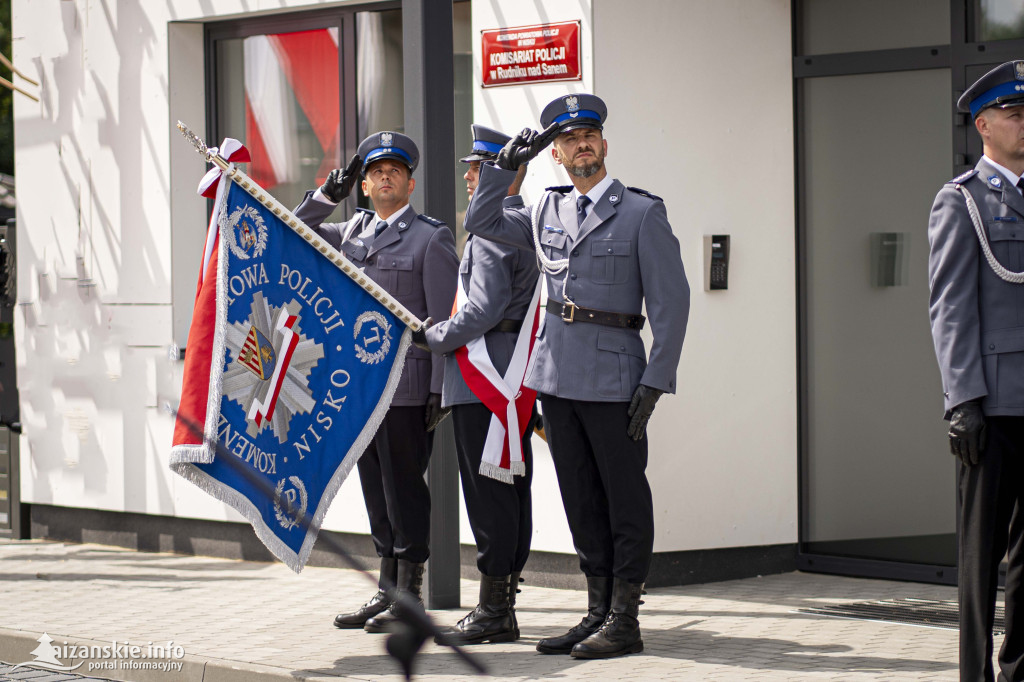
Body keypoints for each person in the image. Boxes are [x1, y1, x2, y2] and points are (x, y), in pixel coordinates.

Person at [460, 94, 689, 659]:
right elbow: (482, 220)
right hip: (557, 378)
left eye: (589, 134)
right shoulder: (544, 210)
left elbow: (672, 304)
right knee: (580, 500)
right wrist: (505, 166)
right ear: (556, 153)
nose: (581, 144)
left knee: (624, 499)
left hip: (616, 380)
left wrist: (656, 381)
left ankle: (626, 618)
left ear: (604, 145)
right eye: (568, 139)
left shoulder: (641, 213)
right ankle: (595, 612)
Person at [293, 131, 458, 634]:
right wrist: (325, 197)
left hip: (407, 389)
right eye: (376, 171)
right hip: (358, 388)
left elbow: (442, 324)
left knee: (404, 491)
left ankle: (410, 598)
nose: (385, 176)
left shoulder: (432, 238)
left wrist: (438, 390)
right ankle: (387, 592)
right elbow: (296, 232)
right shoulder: (349, 232)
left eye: (395, 170)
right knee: (375, 491)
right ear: (363, 185)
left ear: (410, 182)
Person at [412, 124, 536, 645]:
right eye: (470, 167)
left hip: (484, 374)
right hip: (513, 372)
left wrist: (434, 336)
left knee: (487, 495)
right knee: (509, 492)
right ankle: (501, 602)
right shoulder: (524, 220)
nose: (469, 176)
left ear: (509, 172)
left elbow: (481, 309)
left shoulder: (494, 228)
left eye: (480, 168)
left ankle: (493, 609)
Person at [928, 60, 1024, 682]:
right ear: (983, 124)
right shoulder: (960, 199)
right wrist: (962, 399)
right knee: (980, 557)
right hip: (993, 405)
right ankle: (975, 675)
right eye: (1016, 116)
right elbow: (950, 307)